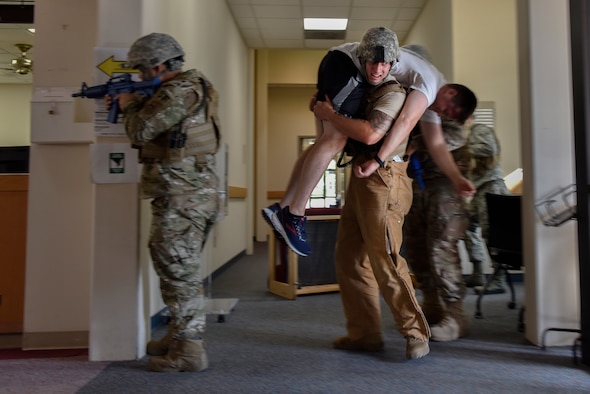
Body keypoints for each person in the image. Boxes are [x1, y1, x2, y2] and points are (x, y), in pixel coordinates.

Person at [263, 42, 477, 257]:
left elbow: (437, 144)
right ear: (450, 91)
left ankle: (283, 207)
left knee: (325, 142)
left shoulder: (430, 88)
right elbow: (406, 121)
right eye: (447, 109)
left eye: (446, 115)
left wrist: (457, 178)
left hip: (340, 62)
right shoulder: (430, 85)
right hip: (347, 64)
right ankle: (294, 214)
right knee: (335, 139)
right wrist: (379, 160)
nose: (441, 113)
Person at [312, 26, 431, 360]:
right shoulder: (362, 87)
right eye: (371, 62)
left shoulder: (393, 92)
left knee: (386, 259)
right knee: (348, 257)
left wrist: (329, 115)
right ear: (362, 60)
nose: (378, 68)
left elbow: (370, 133)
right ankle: (365, 334)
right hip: (363, 175)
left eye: (385, 63)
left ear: (393, 63)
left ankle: (415, 332)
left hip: (385, 177)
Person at [105, 33, 220, 372]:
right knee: (175, 271)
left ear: (158, 65)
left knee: (178, 273)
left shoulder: (177, 92)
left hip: (182, 197)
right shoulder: (191, 86)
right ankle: (178, 336)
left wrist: (129, 104)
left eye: (142, 69)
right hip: (187, 195)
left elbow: (140, 131)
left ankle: (189, 351)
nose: (141, 76)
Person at [402, 118, 473, 342]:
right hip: (415, 185)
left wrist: (415, 141)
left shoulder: (441, 112)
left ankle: (455, 314)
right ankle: (431, 304)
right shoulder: (409, 110)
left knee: (441, 249)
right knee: (416, 247)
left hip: (445, 187)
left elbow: (452, 137)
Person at [463, 118, 510, 294]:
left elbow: (489, 148)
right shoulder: (468, 133)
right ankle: (477, 272)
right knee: (466, 226)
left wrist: (461, 149)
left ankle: (498, 280)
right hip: (480, 188)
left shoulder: (479, 129)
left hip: (491, 186)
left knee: (491, 234)